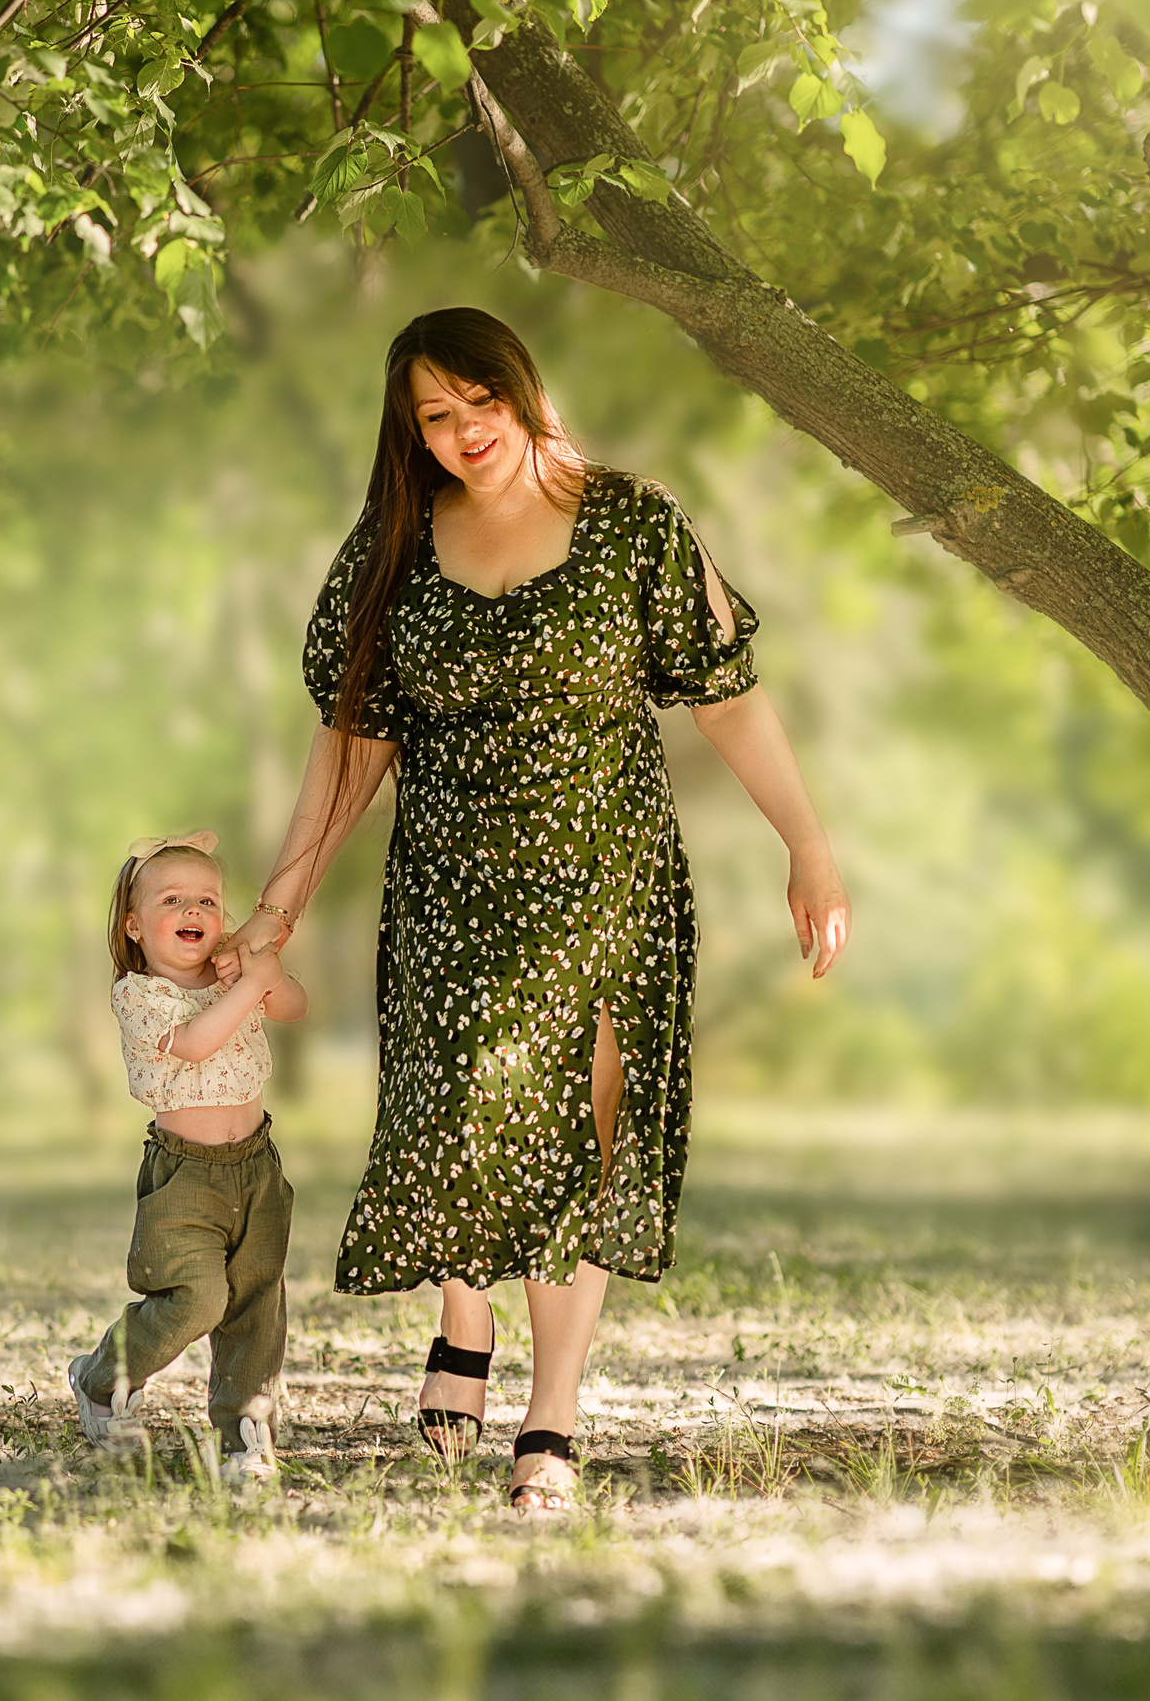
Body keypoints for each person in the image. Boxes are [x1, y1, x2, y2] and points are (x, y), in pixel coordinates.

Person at [230, 307, 851, 1511]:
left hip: (606, 887)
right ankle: (465, 1317)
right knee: (461, 1116)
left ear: (524, 390)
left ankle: (550, 1424)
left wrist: (808, 847)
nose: (465, 436)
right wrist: (280, 904)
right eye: (436, 418)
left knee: (584, 1136)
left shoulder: (634, 521)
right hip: (452, 885)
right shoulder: (393, 551)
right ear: (409, 433)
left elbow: (727, 700)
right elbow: (352, 747)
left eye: (480, 405)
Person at [68, 831, 308, 1484]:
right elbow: (199, 1042)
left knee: (257, 1303)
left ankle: (244, 1433)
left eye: (207, 899)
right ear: (134, 925)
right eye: (172, 899)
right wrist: (248, 983)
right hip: (185, 1176)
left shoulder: (232, 971)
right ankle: (101, 1377)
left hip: (257, 1165)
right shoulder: (138, 994)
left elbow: (293, 1005)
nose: (193, 911)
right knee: (195, 1298)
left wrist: (268, 974)